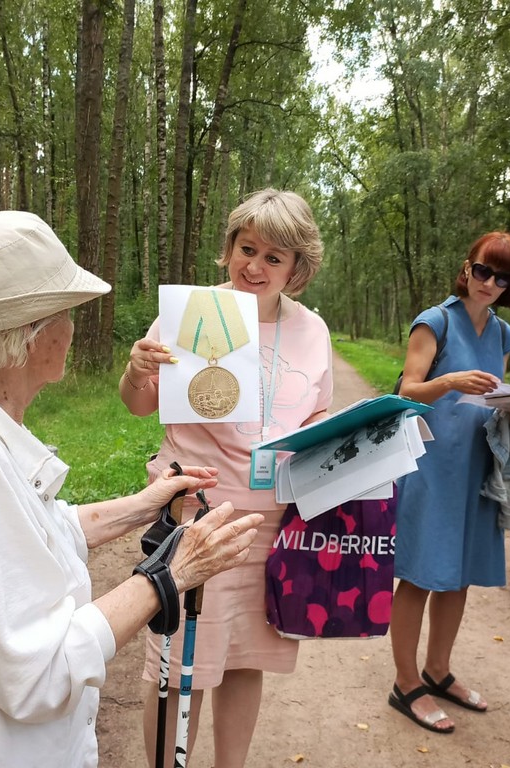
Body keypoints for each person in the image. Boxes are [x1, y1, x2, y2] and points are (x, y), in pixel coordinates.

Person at [0, 211, 264, 768]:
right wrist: (172, 574)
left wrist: (141, 507)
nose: (73, 329)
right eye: (66, 314)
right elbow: (40, 670)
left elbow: (23, 532)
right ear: (29, 335)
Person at [120, 188, 332, 767]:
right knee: (176, 668)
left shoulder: (312, 330)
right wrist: (137, 370)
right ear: (230, 247)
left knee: (244, 659)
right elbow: (138, 404)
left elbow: (316, 417)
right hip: (197, 517)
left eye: (273, 257)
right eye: (247, 248)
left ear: (296, 268)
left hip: (270, 523)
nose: (255, 266)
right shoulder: (190, 313)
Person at [389, 231, 510, 734]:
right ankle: (406, 683)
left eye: (503, 277)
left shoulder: (503, 335)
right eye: (483, 270)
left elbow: (496, 402)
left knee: (459, 573)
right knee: (419, 574)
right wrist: (451, 381)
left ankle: (438, 669)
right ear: (467, 268)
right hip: (431, 465)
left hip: (477, 467)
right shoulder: (436, 321)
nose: (490, 283)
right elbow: (407, 390)